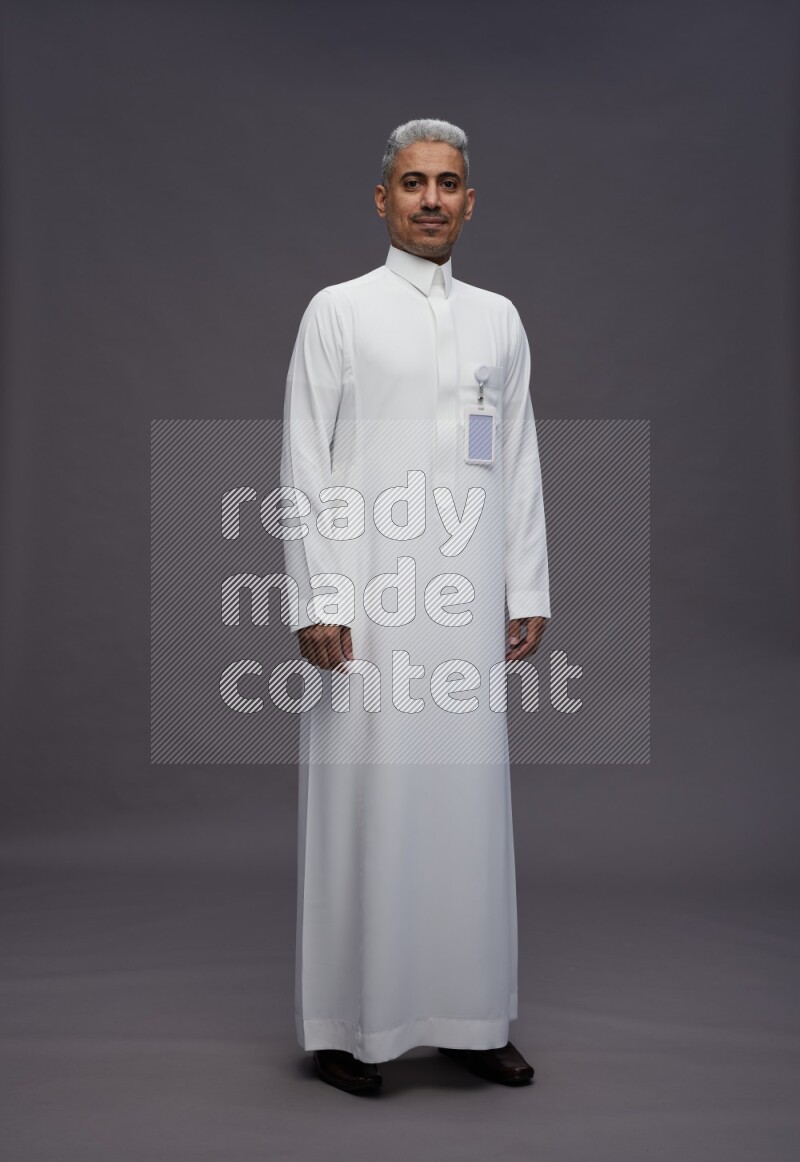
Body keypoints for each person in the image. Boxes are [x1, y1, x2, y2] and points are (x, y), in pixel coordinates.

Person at [279, 118, 551, 1094]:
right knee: (365, 803)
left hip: (465, 601)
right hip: (369, 601)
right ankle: (346, 1027)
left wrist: (526, 584)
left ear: (469, 202)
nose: (430, 199)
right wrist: (317, 594)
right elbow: (304, 460)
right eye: (411, 183)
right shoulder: (338, 311)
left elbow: (515, 455)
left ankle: (471, 1020)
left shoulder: (497, 320)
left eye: (446, 183)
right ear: (382, 199)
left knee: (464, 808)